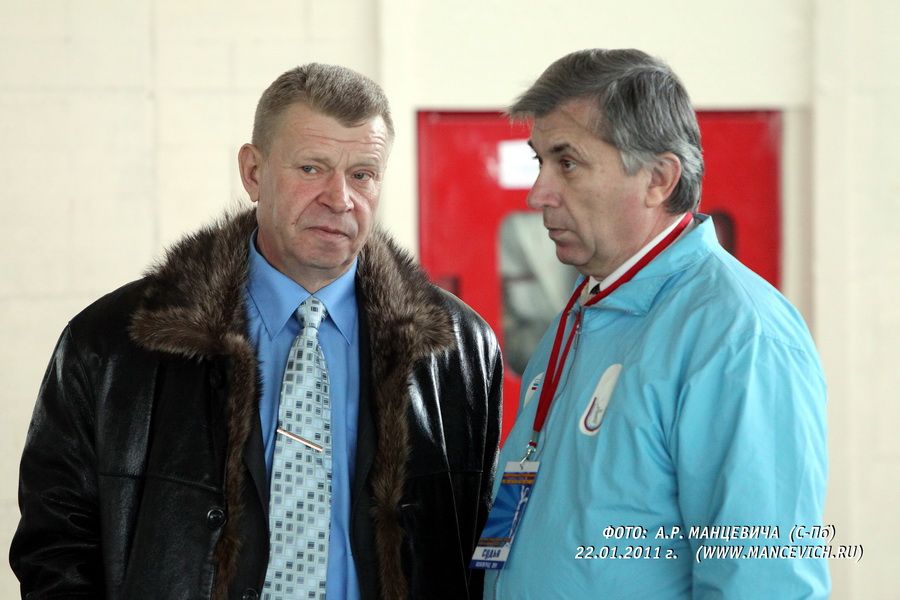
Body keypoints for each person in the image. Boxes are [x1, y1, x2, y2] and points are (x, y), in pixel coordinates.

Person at [10, 63, 502, 600]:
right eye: (311, 168)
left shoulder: (460, 349)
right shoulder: (112, 343)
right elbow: (55, 547)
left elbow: (484, 546)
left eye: (362, 174)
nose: (339, 198)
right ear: (252, 172)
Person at [481, 49, 828, 598]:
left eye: (567, 163)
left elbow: (763, 580)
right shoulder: (585, 311)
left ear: (659, 178)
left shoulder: (738, 336)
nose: (538, 193)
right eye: (539, 161)